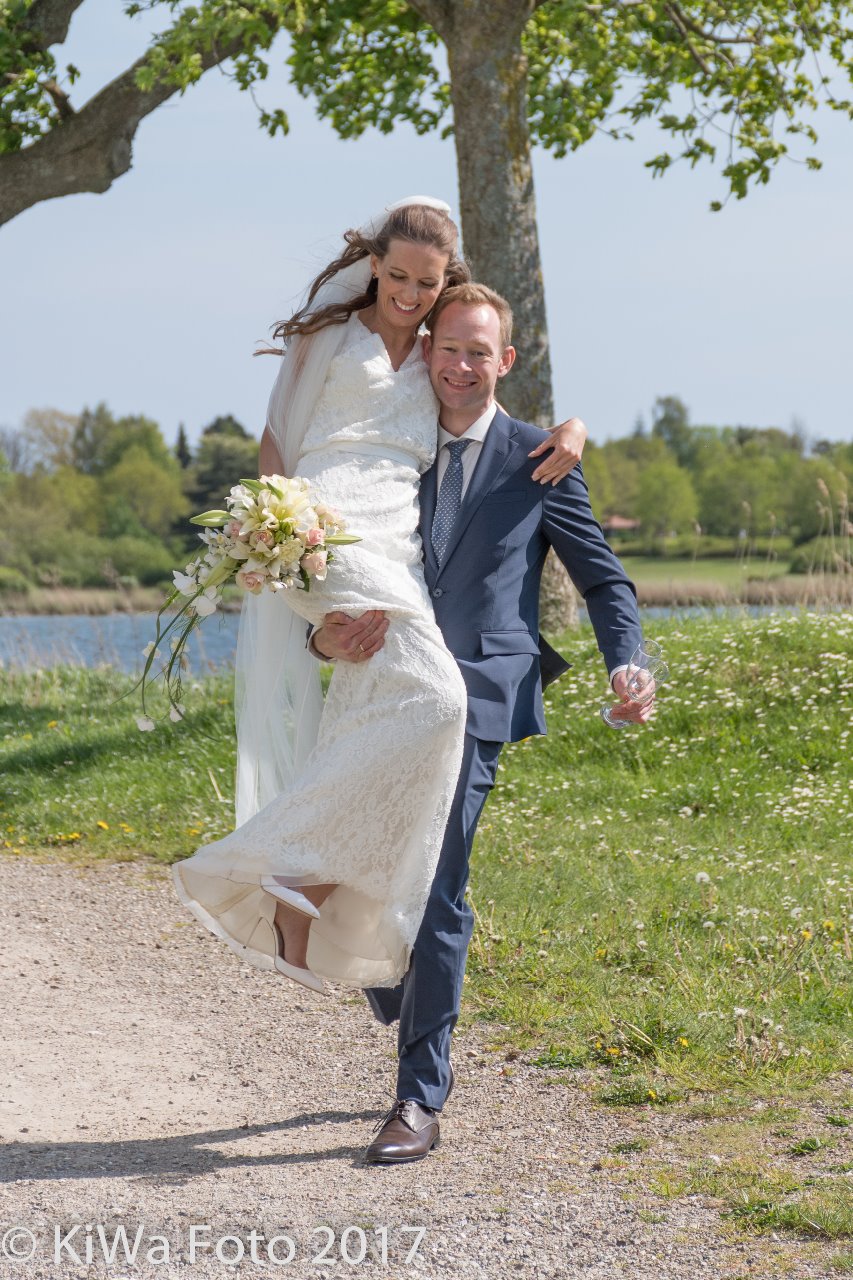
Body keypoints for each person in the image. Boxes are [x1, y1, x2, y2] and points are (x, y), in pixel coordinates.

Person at [170, 198, 586, 997]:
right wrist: (276, 530)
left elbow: (491, 410)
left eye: (425, 283)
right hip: (326, 530)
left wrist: (571, 428)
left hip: (398, 545)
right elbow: (275, 437)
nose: (408, 293)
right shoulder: (329, 337)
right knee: (440, 701)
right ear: (374, 265)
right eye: (397, 276)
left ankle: (306, 899)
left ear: (443, 282)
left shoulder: (435, 353)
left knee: (370, 710)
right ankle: (282, 865)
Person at [311, 282, 654, 1164]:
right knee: (351, 865)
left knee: (439, 882)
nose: (460, 366)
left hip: (481, 696)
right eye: (448, 348)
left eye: (478, 352)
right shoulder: (387, 446)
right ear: (426, 351)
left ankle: (417, 1099)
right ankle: (397, 979)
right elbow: (331, 575)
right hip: (384, 690)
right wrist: (321, 636)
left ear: (505, 361)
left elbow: (603, 580)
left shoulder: (540, 459)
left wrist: (627, 660)